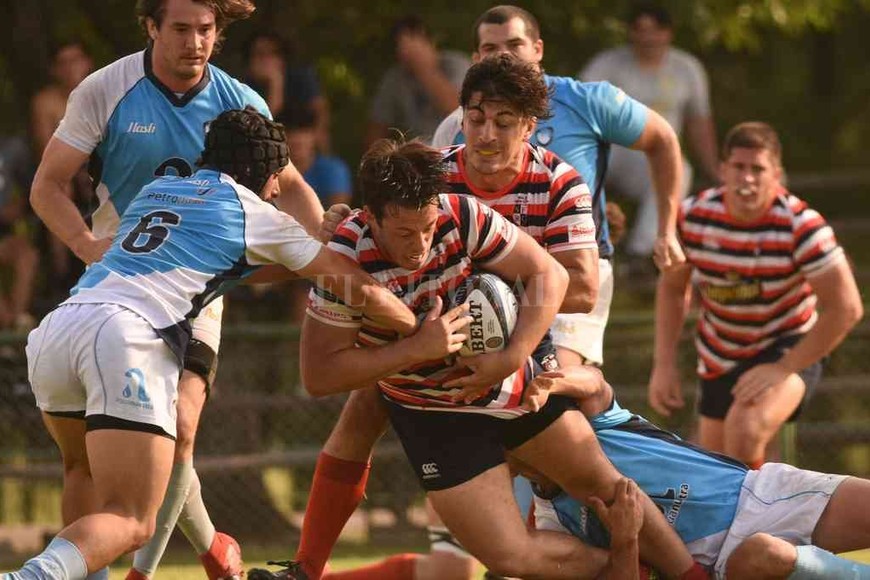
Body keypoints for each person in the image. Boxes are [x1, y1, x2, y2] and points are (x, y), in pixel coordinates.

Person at [250, 138, 702, 580]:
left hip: (508, 385)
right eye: (406, 232)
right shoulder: (345, 259)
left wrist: (511, 356)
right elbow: (319, 374)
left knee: (607, 488)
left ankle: (693, 575)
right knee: (510, 558)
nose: (420, 244)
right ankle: (631, 571)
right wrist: (415, 349)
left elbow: (550, 274)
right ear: (372, 216)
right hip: (433, 414)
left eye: (427, 228)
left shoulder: (459, 213)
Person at [4, 107, 417, 580]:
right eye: (278, 178)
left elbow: (234, 265)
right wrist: (416, 328)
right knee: (134, 518)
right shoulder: (254, 210)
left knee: (84, 475)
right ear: (265, 173)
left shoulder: (159, 189)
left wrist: (310, 247)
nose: (280, 190)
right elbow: (357, 288)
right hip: (127, 337)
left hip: (63, 325)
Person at [27, 0, 326, 578]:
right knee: (84, 464)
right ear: (151, 27)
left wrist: (317, 243)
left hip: (194, 292)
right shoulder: (104, 89)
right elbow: (47, 186)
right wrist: (89, 245)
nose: (195, 42)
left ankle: (143, 572)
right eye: (182, 29)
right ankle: (211, 548)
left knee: (181, 428)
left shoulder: (241, 100)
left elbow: (289, 186)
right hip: (116, 285)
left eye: (206, 31)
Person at [281, 52, 602, 580]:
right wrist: (346, 226)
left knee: (587, 455)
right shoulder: (431, 174)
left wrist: (486, 305)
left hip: (532, 336)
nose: (487, 134)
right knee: (364, 408)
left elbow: (583, 287)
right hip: (427, 337)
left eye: (503, 122)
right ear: (461, 114)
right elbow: (373, 230)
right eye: (476, 119)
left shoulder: (559, 182)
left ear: (529, 125)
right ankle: (307, 568)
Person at [431, 4, 685, 370]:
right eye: (490, 49)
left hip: (575, 270)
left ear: (538, 49)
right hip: (486, 280)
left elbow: (663, 138)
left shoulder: (589, 101)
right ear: (476, 59)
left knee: (552, 379)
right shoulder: (456, 125)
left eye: (515, 44)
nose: (503, 55)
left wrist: (666, 229)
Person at [516, 364, 870, 579]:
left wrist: (549, 380)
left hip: (760, 492)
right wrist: (625, 540)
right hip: (720, 565)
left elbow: (594, 381)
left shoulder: (598, 426)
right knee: (764, 554)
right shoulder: (553, 525)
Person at [649, 122, 863, 469]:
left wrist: (783, 367)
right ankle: (760, 516)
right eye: (739, 167)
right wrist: (664, 364)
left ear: (776, 174)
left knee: (745, 430)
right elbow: (673, 288)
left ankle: (762, 516)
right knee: (718, 466)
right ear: (723, 169)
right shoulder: (692, 216)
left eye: (758, 169)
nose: (747, 178)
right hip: (721, 350)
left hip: (786, 343)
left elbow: (847, 308)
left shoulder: (801, 225)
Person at [580, 2, 719, 265]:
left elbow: (699, 122)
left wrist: (714, 169)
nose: (648, 37)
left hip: (654, 154)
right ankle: (577, 249)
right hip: (609, 150)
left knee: (679, 170)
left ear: (669, 33)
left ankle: (643, 254)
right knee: (572, 171)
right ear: (630, 33)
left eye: (656, 30)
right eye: (641, 30)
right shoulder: (607, 65)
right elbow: (579, 107)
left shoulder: (687, 68)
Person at [30, 40, 95, 291]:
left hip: (95, 170)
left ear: (87, 63)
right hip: (63, 171)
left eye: (75, 60)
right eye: (63, 63)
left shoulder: (102, 94)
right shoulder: (45, 102)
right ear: (54, 70)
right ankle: (63, 275)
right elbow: (46, 152)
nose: (70, 68)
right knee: (58, 189)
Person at [366, 15, 471, 146]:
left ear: (430, 42)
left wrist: (424, 69)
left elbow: (461, 110)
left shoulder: (456, 64)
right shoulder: (395, 78)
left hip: (456, 148)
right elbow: (377, 128)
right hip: (418, 155)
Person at [243, 31, 331, 151]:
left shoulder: (300, 76)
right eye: (260, 54)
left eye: (272, 53)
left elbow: (320, 111)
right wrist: (275, 85)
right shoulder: (243, 87)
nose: (266, 60)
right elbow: (261, 127)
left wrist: (316, 139)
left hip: (304, 138)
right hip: (266, 146)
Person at [0, 136, 38, 330]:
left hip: (4, 235)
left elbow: (30, 193)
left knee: (27, 255)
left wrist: (18, 207)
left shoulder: (12, 148)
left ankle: (17, 319)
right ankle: (6, 323)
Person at [280, 106, 352, 208]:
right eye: (290, 131)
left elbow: (340, 216)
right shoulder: (271, 173)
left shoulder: (334, 170)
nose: (296, 138)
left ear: (315, 135)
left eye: (303, 131)